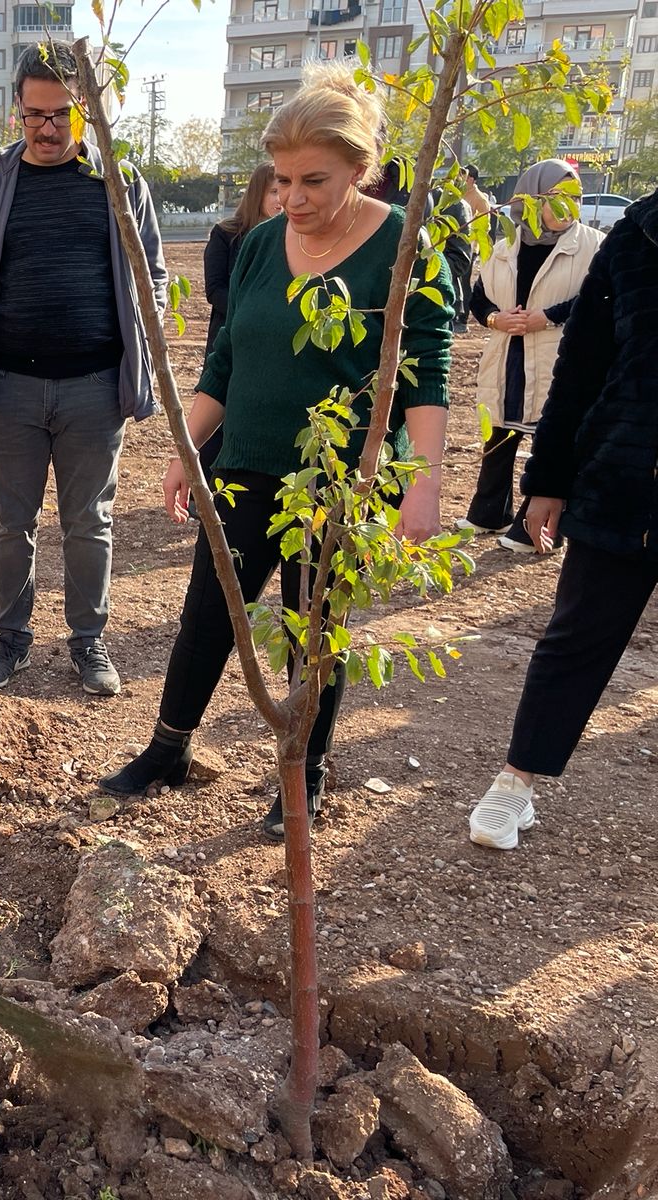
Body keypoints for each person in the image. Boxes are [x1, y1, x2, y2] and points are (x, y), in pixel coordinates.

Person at [95, 62, 453, 838]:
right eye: (282, 180)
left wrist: (421, 487)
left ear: (365, 170)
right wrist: (186, 450)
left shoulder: (402, 247)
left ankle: (304, 773)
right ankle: (168, 750)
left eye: (313, 181)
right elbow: (225, 357)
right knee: (208, 614)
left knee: (312, 628)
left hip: (340, 477)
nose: (292, 199)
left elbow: (425, 369)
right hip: (245, 461)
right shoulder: (260, 244)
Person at [0, 41, 168, 698]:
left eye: (62, 115)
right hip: (8, 391)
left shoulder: (121, 187)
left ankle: (87, 642)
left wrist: (140, 361)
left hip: (93, 391)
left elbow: (151, 274)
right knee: (9, 523)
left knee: (88, 523)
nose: (46, 128)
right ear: (16, 110)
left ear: (90, 115)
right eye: (35, 113)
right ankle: (10, 639)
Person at [467, 187, 658, 851]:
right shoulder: (638, 237)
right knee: (577, 636)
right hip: (624, 481)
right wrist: (547, 480)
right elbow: (582, 370)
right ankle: (515, 781)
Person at [460, 158, 602, 553]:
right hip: (507, 353)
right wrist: (495, 319)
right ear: (530, 198)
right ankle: (489, 511)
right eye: (557, 198)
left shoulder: (592, 244)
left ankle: (534, 526)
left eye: (575, 198)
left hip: (558, 355)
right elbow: (478, 297)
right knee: (499, 432)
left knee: (550, 436)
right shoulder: (505, 242)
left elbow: (598, 300)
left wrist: (549, 317)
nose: (567, 207)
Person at [199, 163, 283, 479]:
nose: (280, 199)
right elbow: (214, 289)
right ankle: (201, 486)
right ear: (256, 193)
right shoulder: (227, 234)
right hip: (229, 339)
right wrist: (250, 311)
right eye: (273, 191)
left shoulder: (294, 236)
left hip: (273, 345)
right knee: (217, 413)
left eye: (281, 190)